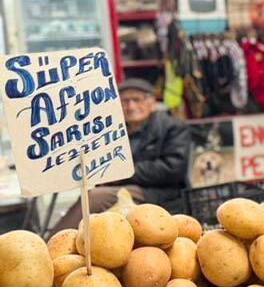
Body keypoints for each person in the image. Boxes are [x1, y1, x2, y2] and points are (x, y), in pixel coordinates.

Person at [52, 78, 192, 232]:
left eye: (136, 100)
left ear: (152, 104)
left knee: (96, 197)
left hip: (160, 192)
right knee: (90, 195)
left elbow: (173, 168)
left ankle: (51, 242)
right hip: (127, 188)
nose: (131, 106)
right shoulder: (115, 129)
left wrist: (122, 172)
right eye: (125, 101)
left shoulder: (172, 127)